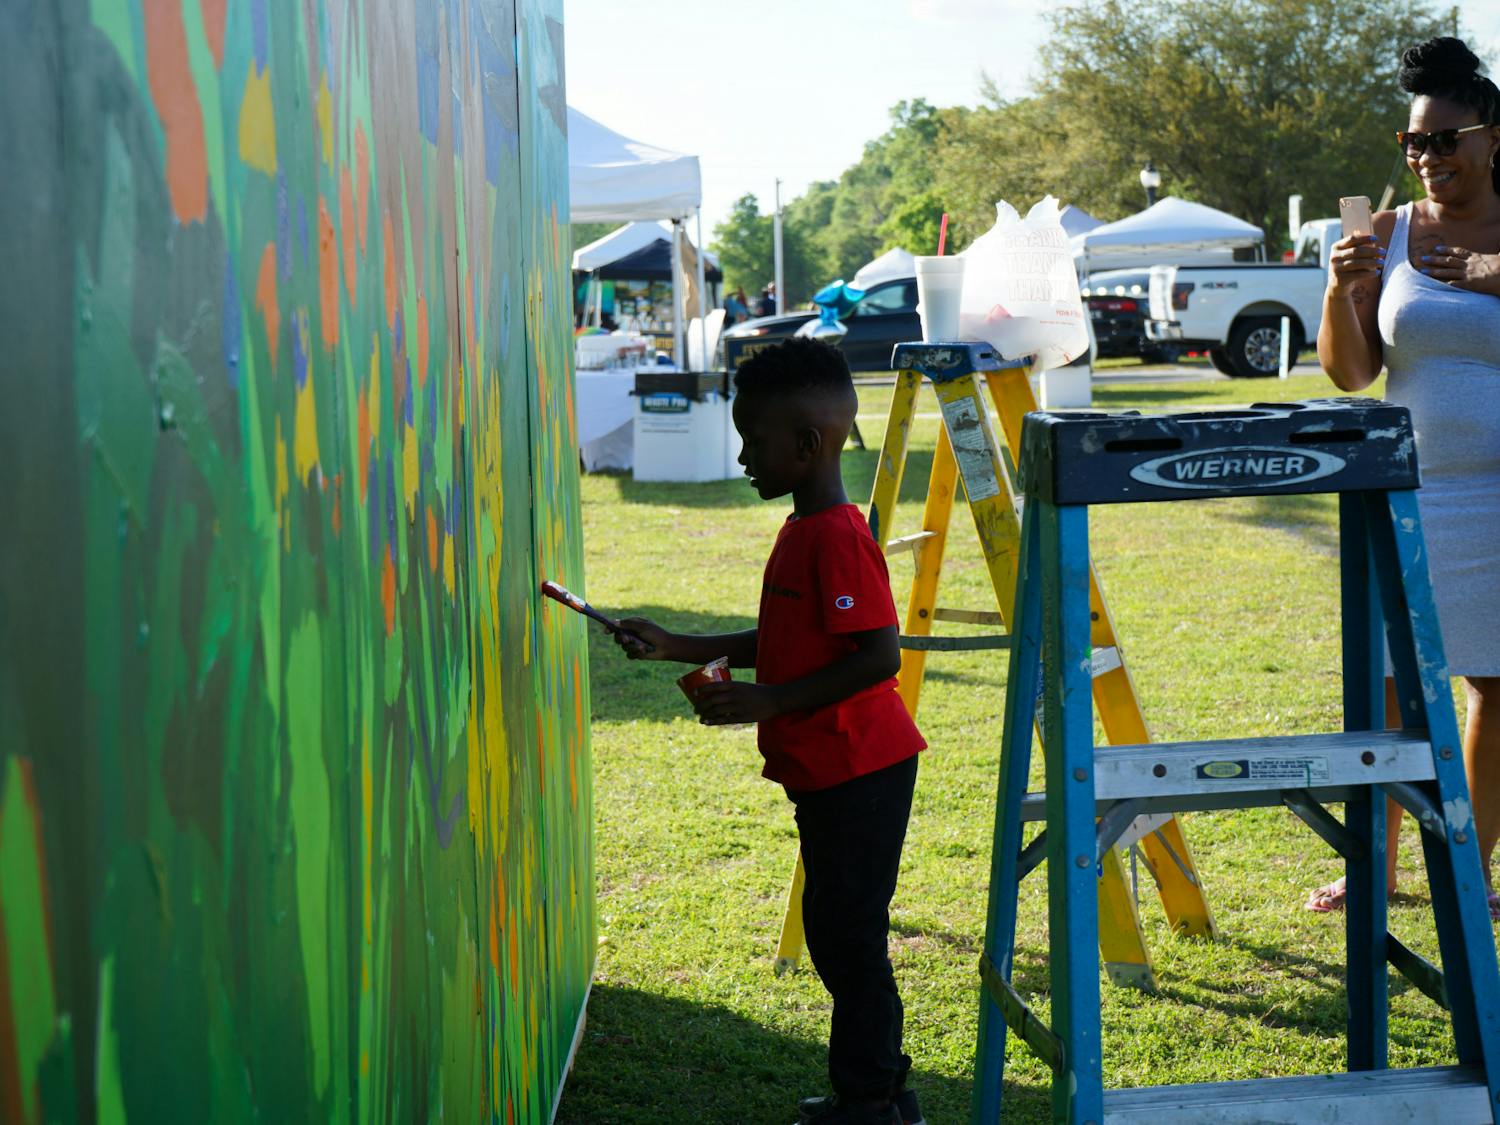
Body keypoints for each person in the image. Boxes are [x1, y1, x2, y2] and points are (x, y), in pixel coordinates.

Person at [613, 337, 927, 1125]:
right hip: (828, 774)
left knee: (848, 940)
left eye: (753, 440)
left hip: (863, 770)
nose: (744, 454)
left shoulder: (837, 535)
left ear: (808, 443)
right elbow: (785, 637)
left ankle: (870, 1104)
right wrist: (677, 646)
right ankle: (883, 1088)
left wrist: (773, 701)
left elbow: (878, 654)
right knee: (837, 932)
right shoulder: (800, 528)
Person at [1314, 35, 1500, 918]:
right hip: (1414, 488)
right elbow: (1352, 374)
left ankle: (1469, 869)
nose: (1428, 159)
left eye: (1445, 141)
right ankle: (1376, 869)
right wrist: (1339, 294)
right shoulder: (1384, 233)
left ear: (1492, 137)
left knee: (1494, 687)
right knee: (1392, 686)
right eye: (1413, 144)